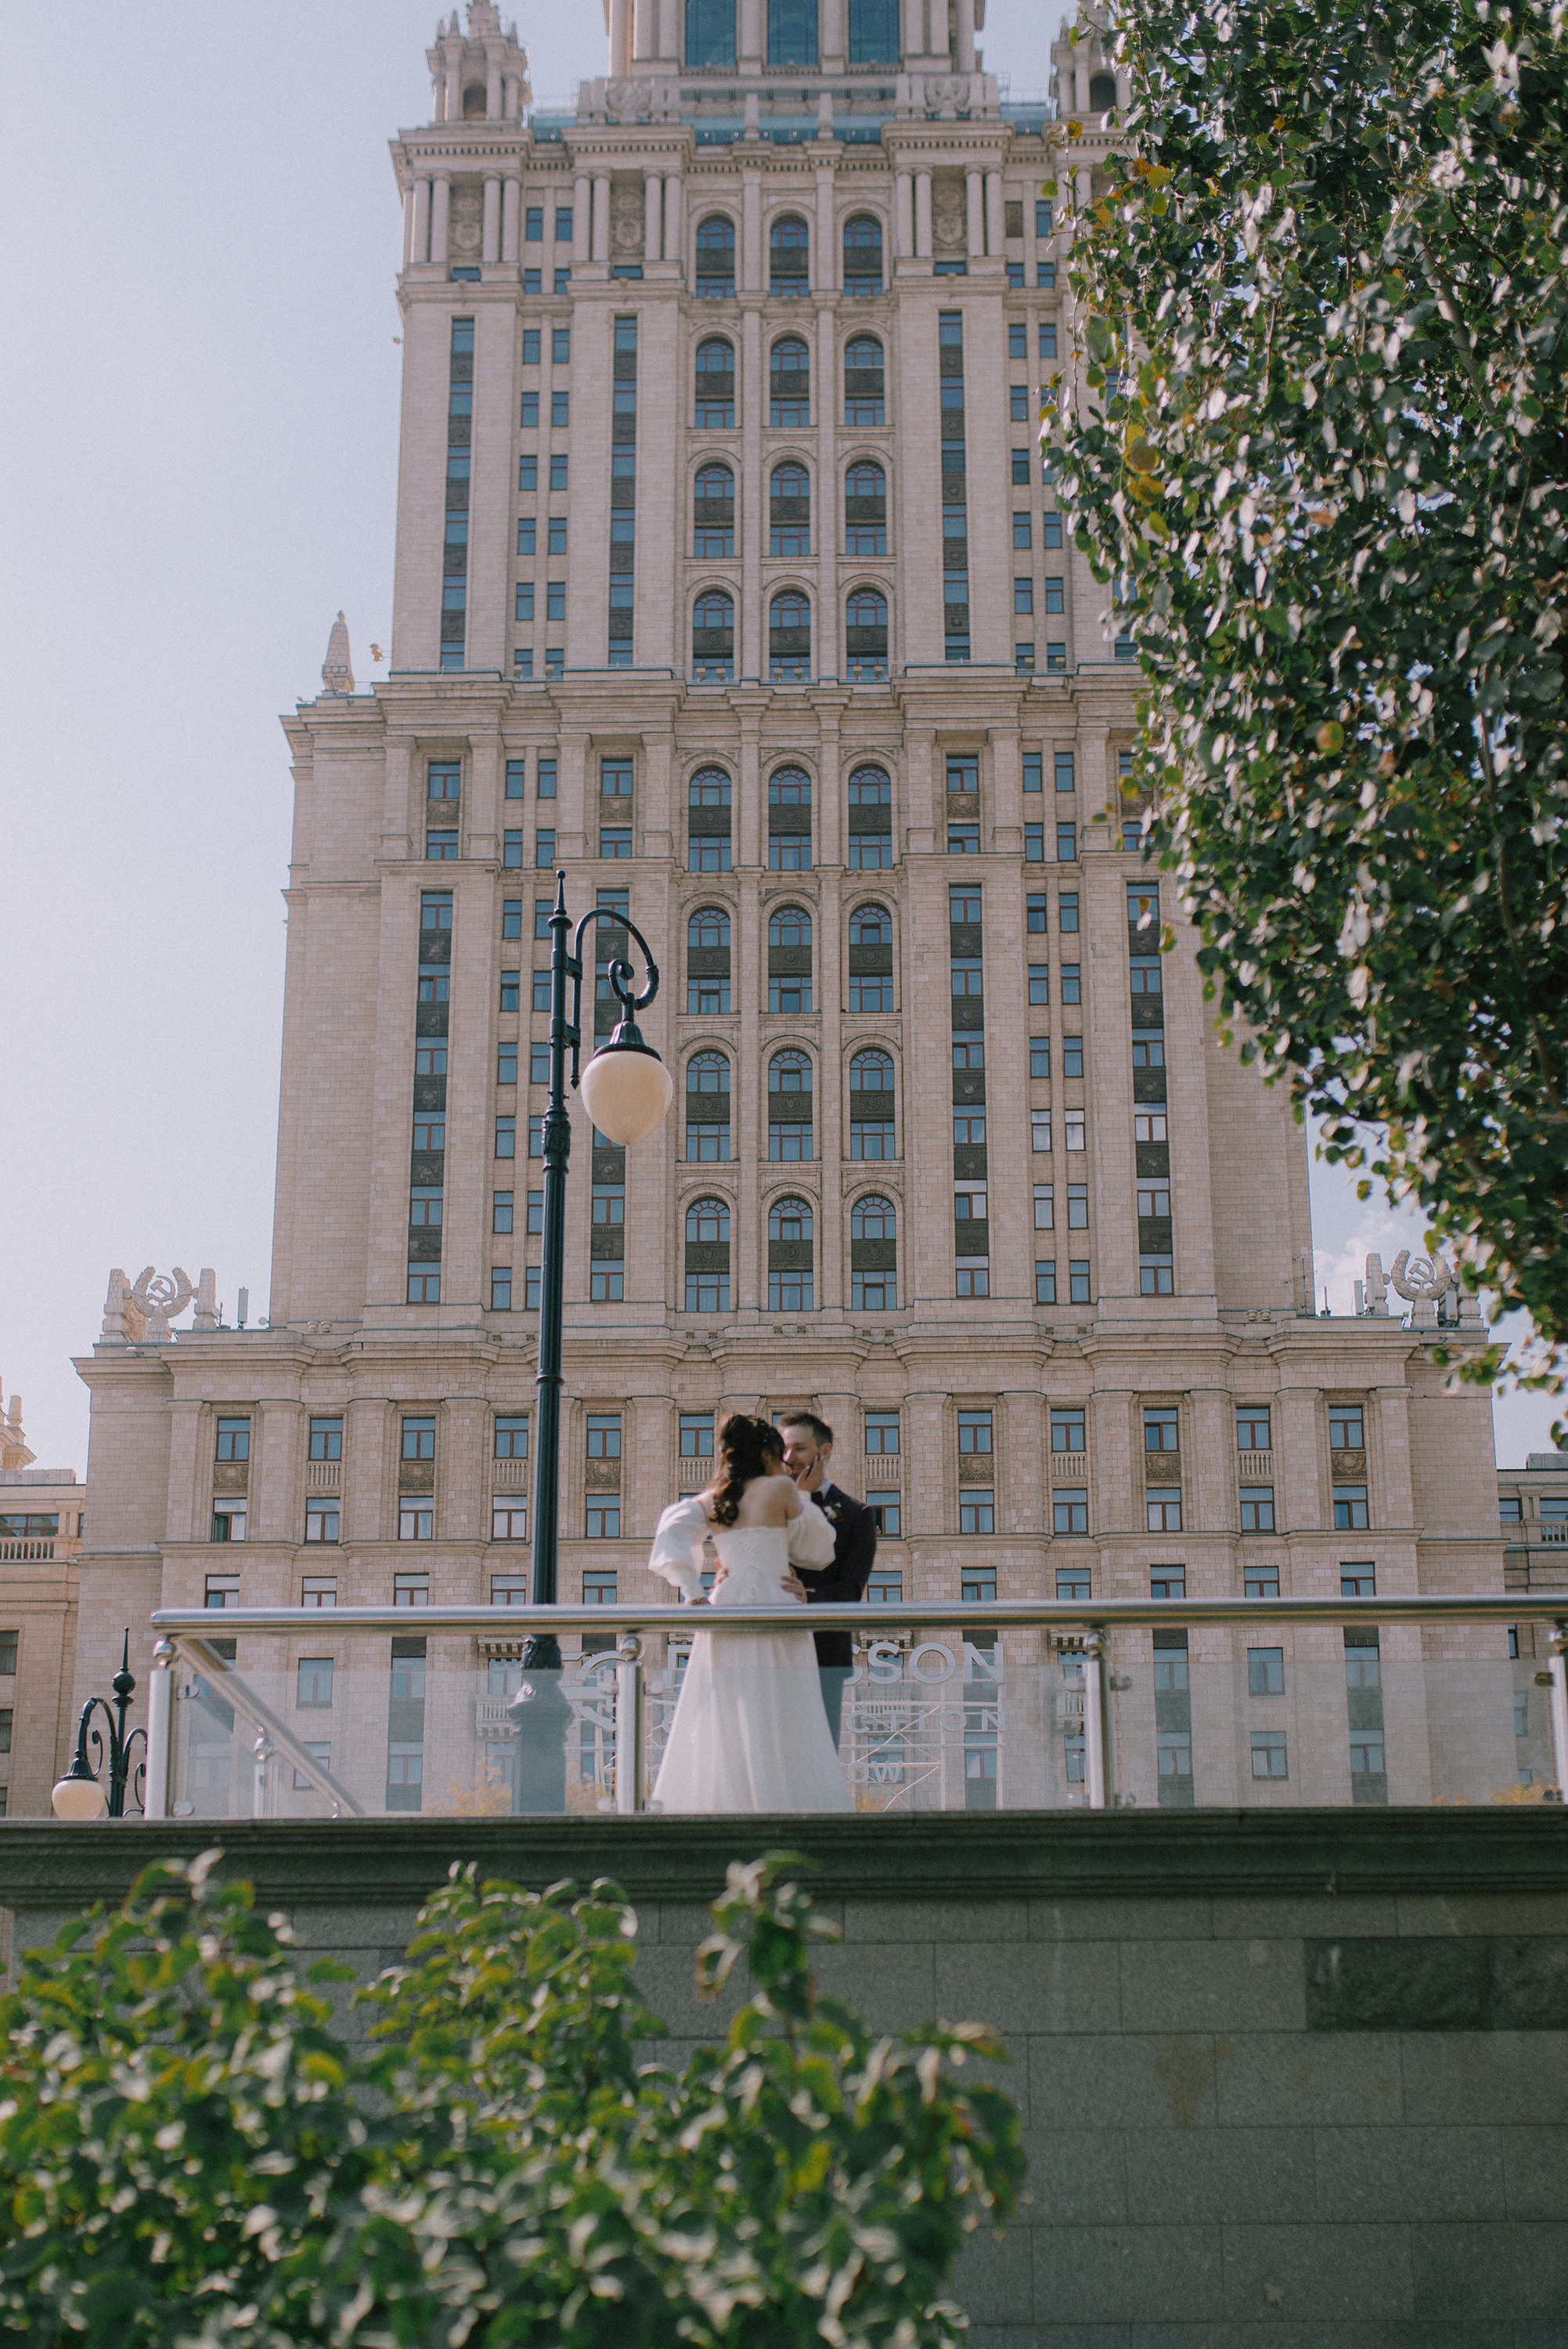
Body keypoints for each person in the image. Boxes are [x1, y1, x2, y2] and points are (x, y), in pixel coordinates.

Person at [646, 1413, 855, 1813]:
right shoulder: (781, 1487)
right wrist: (803, 1497)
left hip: (726, 1606)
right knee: (786, 1707)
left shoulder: (714, 1497)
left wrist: (694, 1594)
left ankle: (734, 1803)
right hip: (777, 1602)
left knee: (727, 1710)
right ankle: (784, 1804)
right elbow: (818, 1551)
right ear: (766, 1454)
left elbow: (670, 1534)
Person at [779, 1413, 878, 1751]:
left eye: (799, 1448)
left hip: (824, 1655)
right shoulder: (766, 1504)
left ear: (825, 1452)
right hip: (769, 1651)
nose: (789, 1458)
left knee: (819, 1751)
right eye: (783, 1449)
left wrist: (807, 1597)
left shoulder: (856, 1514)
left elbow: (851, 1589)